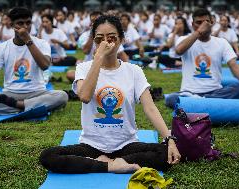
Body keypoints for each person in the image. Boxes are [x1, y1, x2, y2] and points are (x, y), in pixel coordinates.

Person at [40, 15, 180, 174]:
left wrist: (170, 139)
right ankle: (110, 166)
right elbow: (84, 96)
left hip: (126, 145)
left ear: (121, 40)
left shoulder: (134, 71)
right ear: (94, 41)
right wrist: (98, 58)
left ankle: (116, 162)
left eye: (111, 37)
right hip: (92, 145)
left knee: (164, 153)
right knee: (48, 156)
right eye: (99, 39)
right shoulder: (84, 68)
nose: (105, 42)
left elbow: (150, 108)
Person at [0, 7, 68, 115]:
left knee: (62, 96)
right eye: (20, 23)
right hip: (10, 94)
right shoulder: (2, 47)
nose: (25, 27)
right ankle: (31, 108)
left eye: (28, 23)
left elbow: (45, 65)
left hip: (37, 92)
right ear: (12, 25)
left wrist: (28, 40)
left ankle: (20, 106)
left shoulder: (41, 43)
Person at [165, 8, 239, 109]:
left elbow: (233, 65)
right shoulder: (184, 39)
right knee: (171, 99)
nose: (203, 25)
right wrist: (199, 32)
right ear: (192, 24)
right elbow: (179, 50)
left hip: (215, 90)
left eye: (206, 22)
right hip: (189, 92)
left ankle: (199, 101)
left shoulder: (222, 42)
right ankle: (210, 102)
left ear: (212, 22)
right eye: (199, 22)